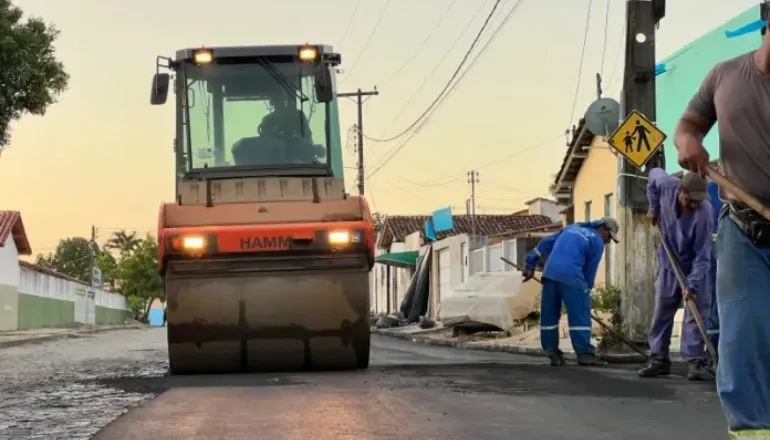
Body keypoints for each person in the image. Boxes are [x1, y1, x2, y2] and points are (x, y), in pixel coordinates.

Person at [674, 43, 770, 438]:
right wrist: (687, 143)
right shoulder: (724, 75)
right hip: (744, 233)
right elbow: (688, 126)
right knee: (744, 341)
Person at [639, 168, 714, 381]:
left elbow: (703, 257)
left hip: (695, 266)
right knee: (663, 310)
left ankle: (696, 362)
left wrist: (691, 285)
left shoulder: (704, 212)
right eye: (690, 200)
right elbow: (653, 173)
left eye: (697, 201)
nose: (693, 205)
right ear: (681, 191)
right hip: (668, 261)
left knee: (696, 311)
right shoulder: (667, 185)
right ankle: (658, 359)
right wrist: (653, 208)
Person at [523, 218, 619, 367]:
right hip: (572, 275)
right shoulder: (597, 241)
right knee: (580, 313)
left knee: (549, 315)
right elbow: (590, 270)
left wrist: (530, 264)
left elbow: (544, 244)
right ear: (603, 229)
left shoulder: (570, 228)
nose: (608, 241)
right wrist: (586, 290)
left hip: (549, 274)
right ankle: (585, 354)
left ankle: (552, 352)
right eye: (609, 237)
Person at [706, 181, 721, 364]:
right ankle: (713, 355)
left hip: (713, 254)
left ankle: (713, 356)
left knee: (715, 307)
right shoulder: (711, 190)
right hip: (715, 254)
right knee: (715, 308)